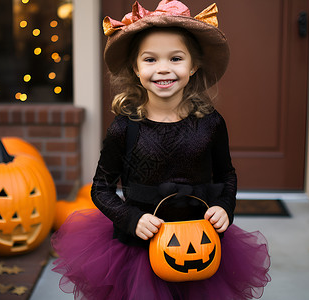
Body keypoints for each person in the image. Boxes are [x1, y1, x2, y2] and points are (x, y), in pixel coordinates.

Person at [51, 1, 271, 299]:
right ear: (136, 67)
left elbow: (226, 174)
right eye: (151, 59)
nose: (163, 69)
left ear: (193, 65)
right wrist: (131, 219)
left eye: (176, 58)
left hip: (198, 240)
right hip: (139, 246)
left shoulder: (210, 124)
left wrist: (224, 207)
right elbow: (101, 189)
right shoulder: (124, 127)